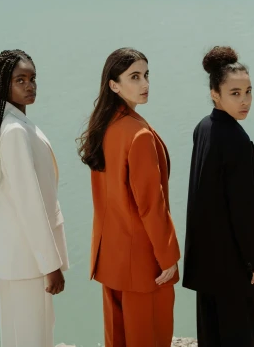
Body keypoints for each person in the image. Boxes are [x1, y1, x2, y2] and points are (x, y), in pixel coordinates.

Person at [77, 47, 181, 347]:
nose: (144, 83)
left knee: (118, 340)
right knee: (149, 338)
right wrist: (168, 258)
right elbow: (151, 206)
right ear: (114, 84)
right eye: (134, 77)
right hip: (144, 264)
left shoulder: (103, 127)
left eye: (146, 75)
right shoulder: (139, 135)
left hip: (112, 259)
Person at [0, 49, 69, 347]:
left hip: (17, 257)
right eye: (20, 80)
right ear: (4, 85)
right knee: (32, 337)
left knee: (21, 336)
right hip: (27, 260)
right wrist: (49, 264)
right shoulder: (14, 130)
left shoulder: (7, 124)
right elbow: (30, 204)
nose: (30, 86)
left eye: (32, 79)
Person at [182, 45, 254, 347]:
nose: (245, 100)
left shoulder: (204, 128)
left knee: (212, 336)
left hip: (208, 263)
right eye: (235, 93)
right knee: (239, 337)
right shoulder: (235, 140)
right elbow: (244, 209)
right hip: (234, 265)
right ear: (214, 94)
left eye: (248, 91)